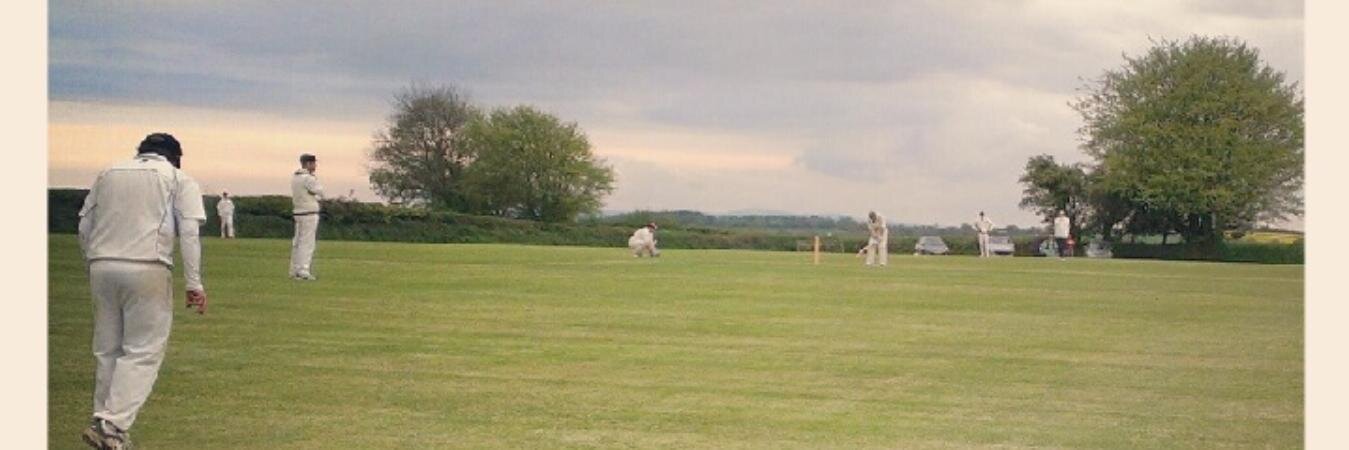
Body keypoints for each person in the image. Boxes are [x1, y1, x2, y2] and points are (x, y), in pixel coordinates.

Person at [77, 132, 209, 450]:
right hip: (148, 265)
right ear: (175, 156)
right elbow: (189, 233)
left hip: (101, 264)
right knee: (143, 350)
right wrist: (194, 284)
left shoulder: (108, 173)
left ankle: (104, 422)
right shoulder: (179, 178)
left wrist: (93, 265)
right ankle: (113, 425)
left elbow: (84, 225)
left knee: (108, 348)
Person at [290, 153, 324, 280]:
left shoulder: (295, 177)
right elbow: (320, 191)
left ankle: (295, 269)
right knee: (307, 243)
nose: (315, 166)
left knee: (298, 242)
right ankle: (303, 270)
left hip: (298, 212)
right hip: (309, 213)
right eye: (314, 163)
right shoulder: (308, 178)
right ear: (308, 164)